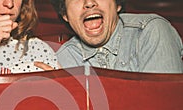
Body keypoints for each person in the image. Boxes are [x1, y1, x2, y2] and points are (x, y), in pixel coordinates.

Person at [47, 0, 183, 73]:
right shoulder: (63, 58)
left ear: (117, 4)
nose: (89, 3)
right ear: (65, 15)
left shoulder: (151, 30)